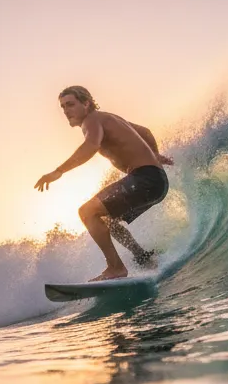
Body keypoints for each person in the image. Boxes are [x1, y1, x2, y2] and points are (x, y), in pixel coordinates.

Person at [35, 86, 174, 281]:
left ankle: (115, 268)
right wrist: (154, 155)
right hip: (156, 181)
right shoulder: (109, 118)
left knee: (87, 212)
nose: (66, 111)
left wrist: (59, 171)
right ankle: (141, 256)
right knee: (106, 219)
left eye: (71, 104)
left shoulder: (92, 120)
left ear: (86, 103)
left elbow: (91, 146)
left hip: (145, 179)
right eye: (63, 107)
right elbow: (146, 132)